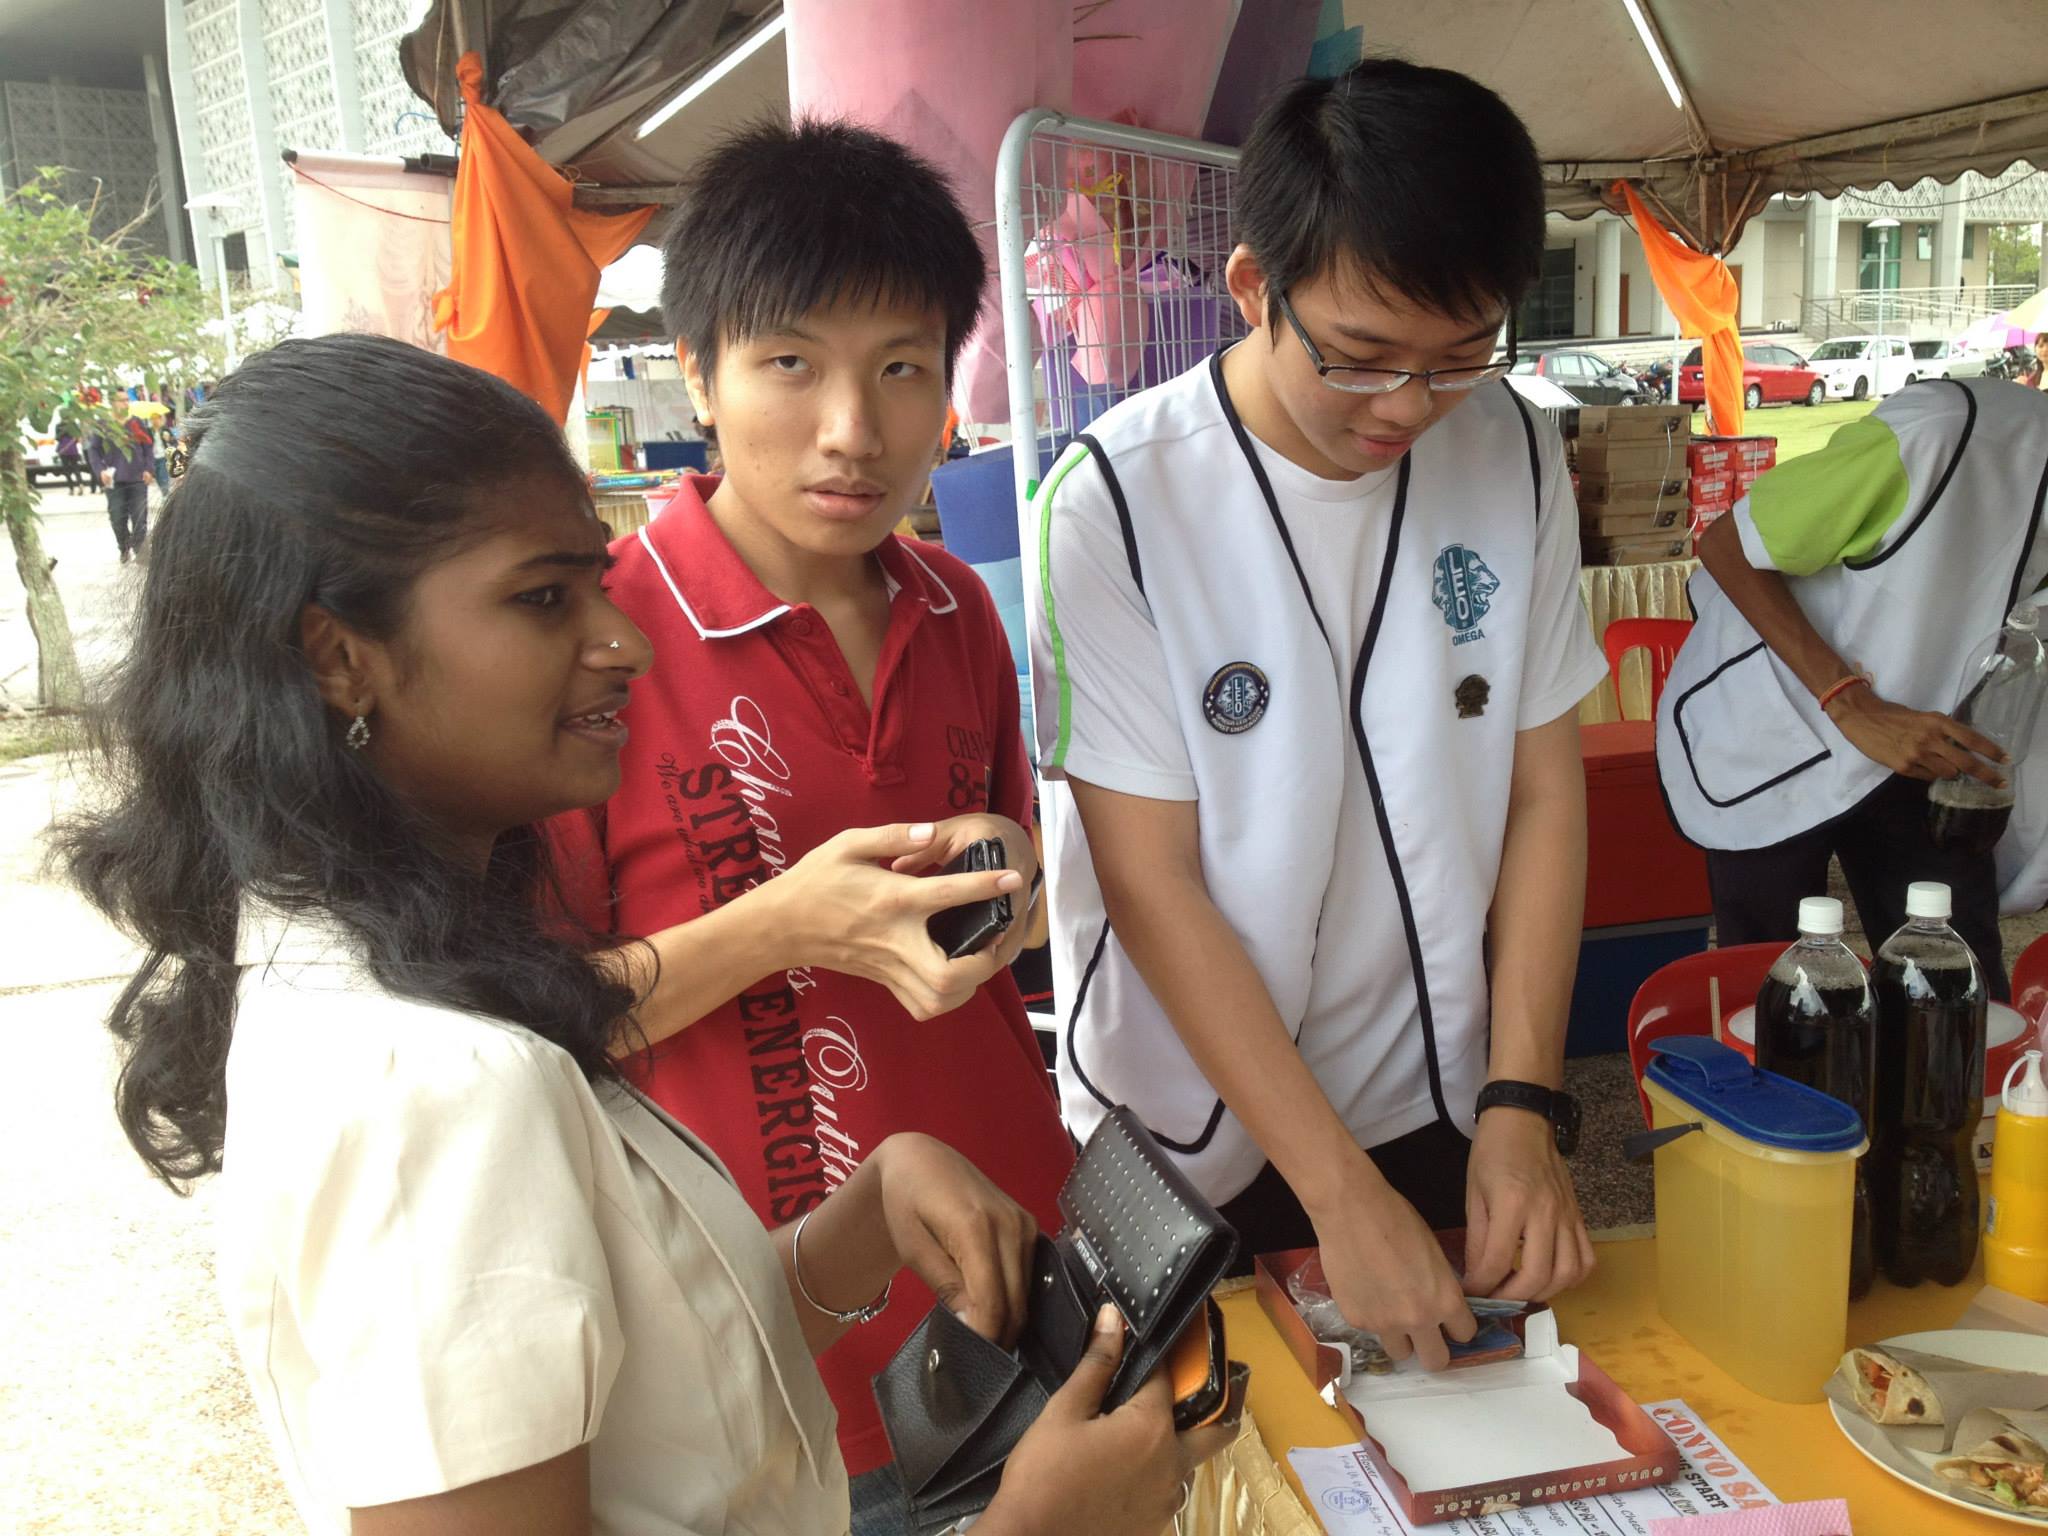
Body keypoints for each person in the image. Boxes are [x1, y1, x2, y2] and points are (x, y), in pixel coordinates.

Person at [58, 333, 1223, 1536]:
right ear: (341, 660)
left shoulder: (378, 957)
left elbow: (646, 1384)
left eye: (599, 588)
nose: (624, 643)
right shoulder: (439, 1094)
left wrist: (855, 1226)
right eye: (543, 599)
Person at [1026, 58, 1606, 1376]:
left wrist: (1522, 1101)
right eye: (1358, 358)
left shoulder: (1513, 451)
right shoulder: (1115, 504)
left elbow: (1541, 793)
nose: (1405, 407)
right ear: (1252, 287)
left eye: (1456, 359)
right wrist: (1337, 1192)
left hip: (1431, 1087)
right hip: (1192, 1130)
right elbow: (1148, 881)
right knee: (1208, 1446)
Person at [541, 120, 1076, 1521]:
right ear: (699, 371)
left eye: (902, 369)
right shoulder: (597, 645)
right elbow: (539, 1030)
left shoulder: (958, 613)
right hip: (774, 1334)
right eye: (790, 364)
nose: (853, 431)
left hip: (1016, 1261)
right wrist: (786, 925)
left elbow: (1013, 908)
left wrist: (1013, 880)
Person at [1657, 378, 2048, 998]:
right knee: (1779, 993)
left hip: (1929, 753)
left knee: (1954, 985)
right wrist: (1850, 701)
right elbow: (1728, 544)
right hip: (1775, 730)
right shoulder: (1941, 432)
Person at [87, 394, 157, 562]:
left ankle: (140, 551)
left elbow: (148, 447)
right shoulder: (103, 424)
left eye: (127, 400)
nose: (126, 403)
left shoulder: (137, 423)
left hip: (137, 478)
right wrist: (100, 471)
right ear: (113, 403)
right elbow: (93, 450)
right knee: (117, 517)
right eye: (122, 400)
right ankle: (124, 546)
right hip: (113, 480)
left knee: (139, 517)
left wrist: (149, 469)